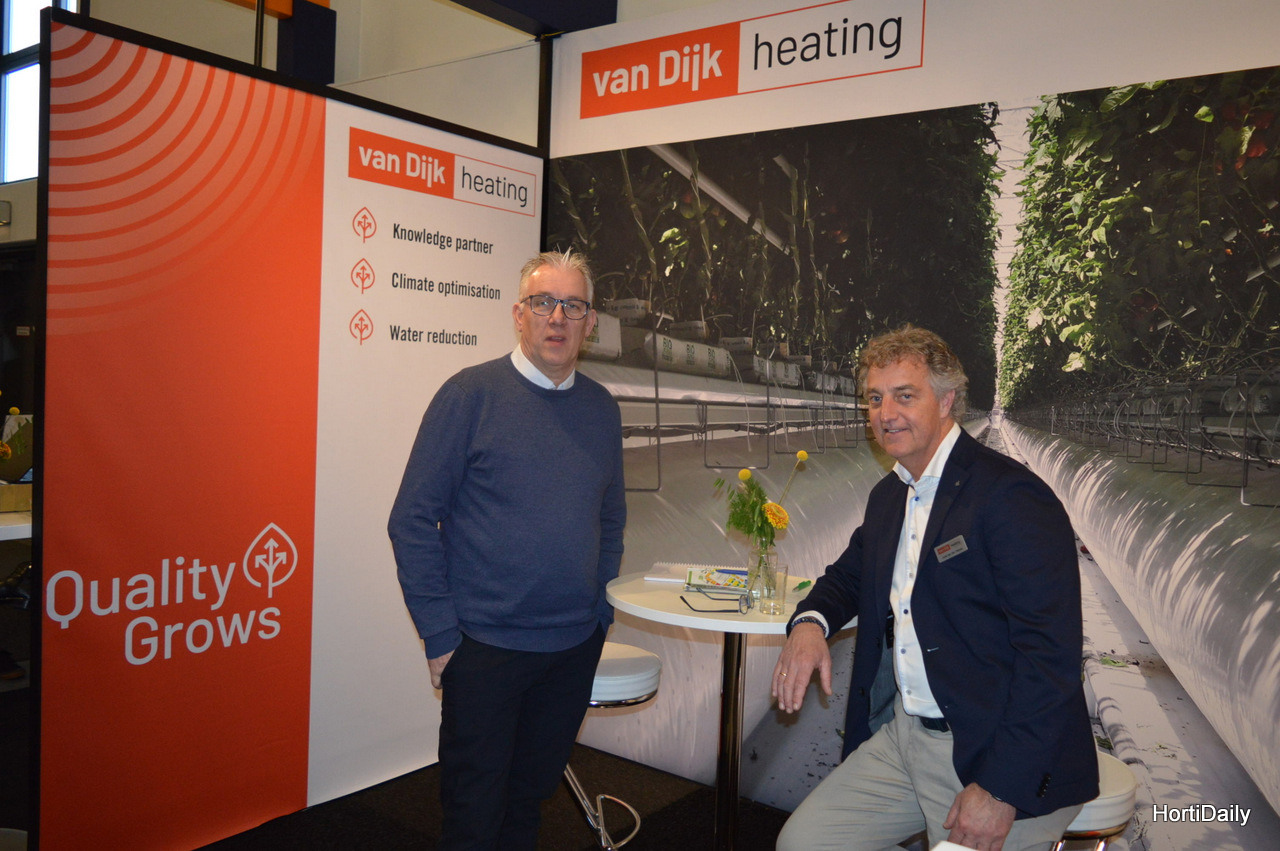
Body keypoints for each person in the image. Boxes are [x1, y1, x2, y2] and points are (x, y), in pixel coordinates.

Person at [773, 326, 1097, 851]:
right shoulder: (890, 496)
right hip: (907, 737)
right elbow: (848, 576)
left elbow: (1049, 656)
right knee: (803, 844)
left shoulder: (1010, 496)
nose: (886, 413)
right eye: (874, 398)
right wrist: (810, 624)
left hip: (996, 749)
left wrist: (1000, 788)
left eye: (905, 395)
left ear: (947, 401)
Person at [388, 249, 626, 851]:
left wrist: (599, 613)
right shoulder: (469, 396)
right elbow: (411, 519)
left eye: (573, 306)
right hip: (484, 651)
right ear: (519, 315)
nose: (558, 318)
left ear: (591, 323)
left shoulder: (602, 409)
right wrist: (440, 635)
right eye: (543, 303)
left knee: (527, 808)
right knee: (473, 817)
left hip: (571, 649)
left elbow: (611, 517)